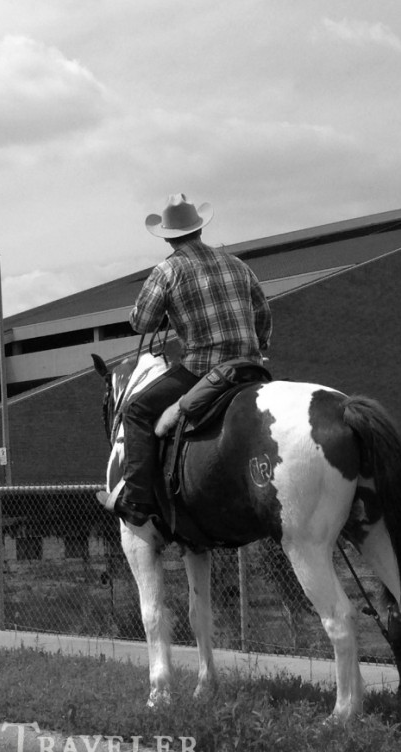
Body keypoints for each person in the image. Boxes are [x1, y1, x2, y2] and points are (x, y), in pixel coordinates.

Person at [114, 193, 272, 526]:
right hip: (252, 367)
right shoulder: (237, 263)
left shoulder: (167, 270)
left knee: (137, 410)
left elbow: (142, 323)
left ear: (168, 236)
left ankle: (138, 500)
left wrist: (148, 312)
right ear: (199, 229)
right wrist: (260, 344)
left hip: (203, 370)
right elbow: (263, 310)